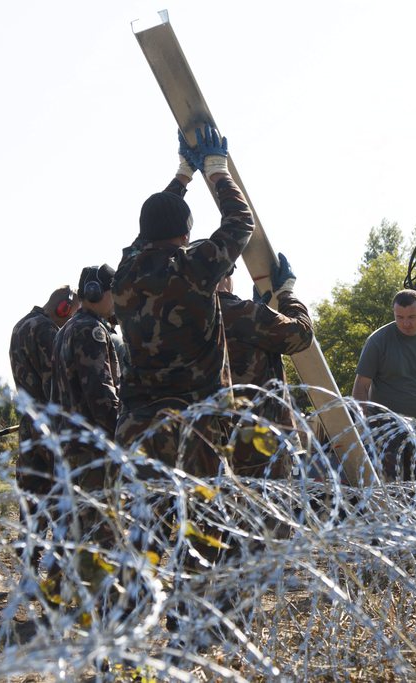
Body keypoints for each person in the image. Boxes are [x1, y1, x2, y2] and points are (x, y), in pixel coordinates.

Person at [112, 124, 252, 477]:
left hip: (138, 429)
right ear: (187, 234)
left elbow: (147, 232)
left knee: (149, 526)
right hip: (196, 428)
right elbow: (239, 222)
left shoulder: (125, 272)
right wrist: (218, 170)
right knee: (201, 526)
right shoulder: (193, 267)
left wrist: (183, 175)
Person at [217, 253, 314, 477]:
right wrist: (286, 294)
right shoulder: (244, 314)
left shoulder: (186, 317)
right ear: (227, 275)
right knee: (268, 510)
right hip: (259, 448)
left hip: (208, 445)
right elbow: (301, 334)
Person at [50, 264, 122, 546]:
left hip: (68, 449)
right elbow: (101, 394)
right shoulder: (93, 332)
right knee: (103, 537)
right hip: (92, 452)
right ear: (96, 292)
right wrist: (123, 437)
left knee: (75, 534)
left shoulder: (64, 331)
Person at [352, 289, 416, 478]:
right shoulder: (378, 341)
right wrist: (363, 422)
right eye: (399, 317)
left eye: (412, 317)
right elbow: (361, 386)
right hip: (384, 429)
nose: (406, 323)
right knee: (389, 491)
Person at [8, 285, 75, 562]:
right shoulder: (48, 331)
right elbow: (56, 384)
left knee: (31, 498)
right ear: (64, 308)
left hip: (28, 425)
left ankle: (29, 563)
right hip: (50, 426)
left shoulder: (20, 326)